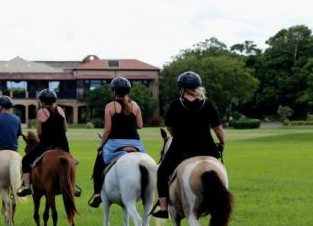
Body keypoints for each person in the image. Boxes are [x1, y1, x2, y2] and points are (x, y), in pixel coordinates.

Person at [152, 71, 226, 218]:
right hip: (207, 148)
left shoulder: (175, 105)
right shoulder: (208, 104)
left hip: (181, 148)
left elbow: (170, 128)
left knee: (162, 173)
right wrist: (222, 142)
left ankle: (164, 208)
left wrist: (178, 137)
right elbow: (218, 129)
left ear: (183, 88)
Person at [88, 77, 145, 208]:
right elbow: (140, 125)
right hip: (136, 144)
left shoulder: (110, 106)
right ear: (128, 91)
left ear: (114, 91)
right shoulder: (135, 105)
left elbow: (107, 130)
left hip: (115, 144)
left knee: (99, 164)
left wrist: (100, 145)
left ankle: (97, 193)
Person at [17, 89, 70, 196]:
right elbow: (66, 128)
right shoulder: (60, 109)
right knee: (70, 162)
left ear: (42, 101)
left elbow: (39, 132)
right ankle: (72, 185)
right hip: (63, 145)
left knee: (26, 160)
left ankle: (27, 187)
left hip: (47, 144)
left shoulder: (41, 112)